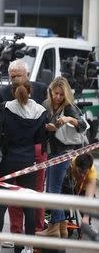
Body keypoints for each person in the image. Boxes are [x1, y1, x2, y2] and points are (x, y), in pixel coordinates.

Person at [0, 59, 48, 238]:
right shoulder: (38, 110)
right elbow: (40, 136)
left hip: (15, 157)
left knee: (5, 202)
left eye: (18, 76)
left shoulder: (6, 106)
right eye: (12, 77)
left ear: (27, 75)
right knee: (26, 204)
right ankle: (21, 239)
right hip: (28, 157)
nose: (14, 80)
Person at [37, 76, 87, 238]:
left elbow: (83, 125)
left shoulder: (69, 107)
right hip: (51, 152)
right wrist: (47, 128)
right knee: (52, 190)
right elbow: (40, 128)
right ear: (50, 92)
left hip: (64, 153)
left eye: (61, 94)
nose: (57, 97)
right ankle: (61, 228)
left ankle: (54, 228)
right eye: (55, 93)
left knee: (53, 190)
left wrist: (69, 119)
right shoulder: (46, 105)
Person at [62, 153, 97, 226]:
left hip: (82, 189)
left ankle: (86, 224)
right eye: (80, 171)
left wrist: (86, 217)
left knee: (89, 201)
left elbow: (89, 197)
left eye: (84, 172)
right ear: (75, 165)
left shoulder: (92, 172)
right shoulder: (71, 162)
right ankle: (63, 220)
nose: (82, 175)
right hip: (70, 185)